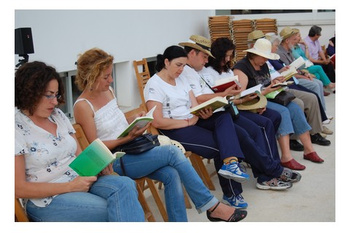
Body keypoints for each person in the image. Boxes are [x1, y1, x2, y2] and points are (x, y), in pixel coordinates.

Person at [73, 48, 247, 222]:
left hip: (132, 147)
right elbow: (94, 149)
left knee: (172, 173)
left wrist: (133, 118)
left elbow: (116, 120)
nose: (111, 80)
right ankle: (211, 206)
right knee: (172, 152)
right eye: (106, 77)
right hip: (113, 161)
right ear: (90, 76)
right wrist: (127, 138)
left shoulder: (107, 91)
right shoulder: (82, 105)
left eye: (111, 75)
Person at [144, 42, 295, 209]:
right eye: (178, 65)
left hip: (193, 121)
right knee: (223, 145)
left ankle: (234, 165)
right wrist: (187, 121)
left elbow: (194, 105)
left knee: (225, 118)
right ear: (166, 62)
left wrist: (201, 113)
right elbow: (157, 121)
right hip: (174, 129)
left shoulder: (180, 79)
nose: (181, 70)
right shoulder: (154, 84)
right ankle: (237, 190)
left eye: (183, 66)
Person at [15, 61, 145, 222]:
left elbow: (81, 158)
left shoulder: (58, 116)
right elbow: (18, 188)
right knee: (115, 208)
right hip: (47, 199)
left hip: (80, 181)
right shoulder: (15, 129)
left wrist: (98, 165)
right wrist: (70, 187)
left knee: (126, 185)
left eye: (56, 95)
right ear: (29, 93)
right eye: (49, 95)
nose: (55, 102)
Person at [196, 37, 301, 188]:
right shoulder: (207, 73)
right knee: (263, 125)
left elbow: (237, 94)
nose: (227, 59)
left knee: (271, 118)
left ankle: (270, 167)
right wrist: (244, 99)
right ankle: (268, 174)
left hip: (234, 108)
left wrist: (252, 99)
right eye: (225, 56)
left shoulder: (227, 70)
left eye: (230, 56)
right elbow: (225, 99)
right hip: (228, 110)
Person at [233, 38, 326, 170]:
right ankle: (286, 157)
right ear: (254, 55)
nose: (266, 60)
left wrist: (275, 81)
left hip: (268, 96)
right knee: (283, 112)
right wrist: (267, 90)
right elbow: (241, 95)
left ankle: (309, 149)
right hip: (253, 101)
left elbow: (265, 81)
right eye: (264, 57)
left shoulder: (262, 64)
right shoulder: (241, 68)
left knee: (294, 107)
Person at [267, 32, 333, 141]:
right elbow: (277, 73)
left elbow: (290, 67)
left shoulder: (275, 55)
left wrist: (301, 73)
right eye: (275, 45)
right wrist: (291, 73)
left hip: (290, 80)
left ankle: (316, 129)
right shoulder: (273, 56)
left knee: (314, 93)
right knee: (309, 95)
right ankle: (302, 134)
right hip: (286, 83)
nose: (277, 47)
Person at [277, 27, 326, 113]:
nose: (296, 41)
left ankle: (323, 112)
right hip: (292, 79)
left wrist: (305, 73)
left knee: (319, 83)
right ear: (287, 40)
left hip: (297, 75)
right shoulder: (281, 53)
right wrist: (303, 76)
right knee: (315, 85)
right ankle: (320, 113)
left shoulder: (289, 49)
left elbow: (296, 67)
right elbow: (289, 72)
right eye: (294, 39)